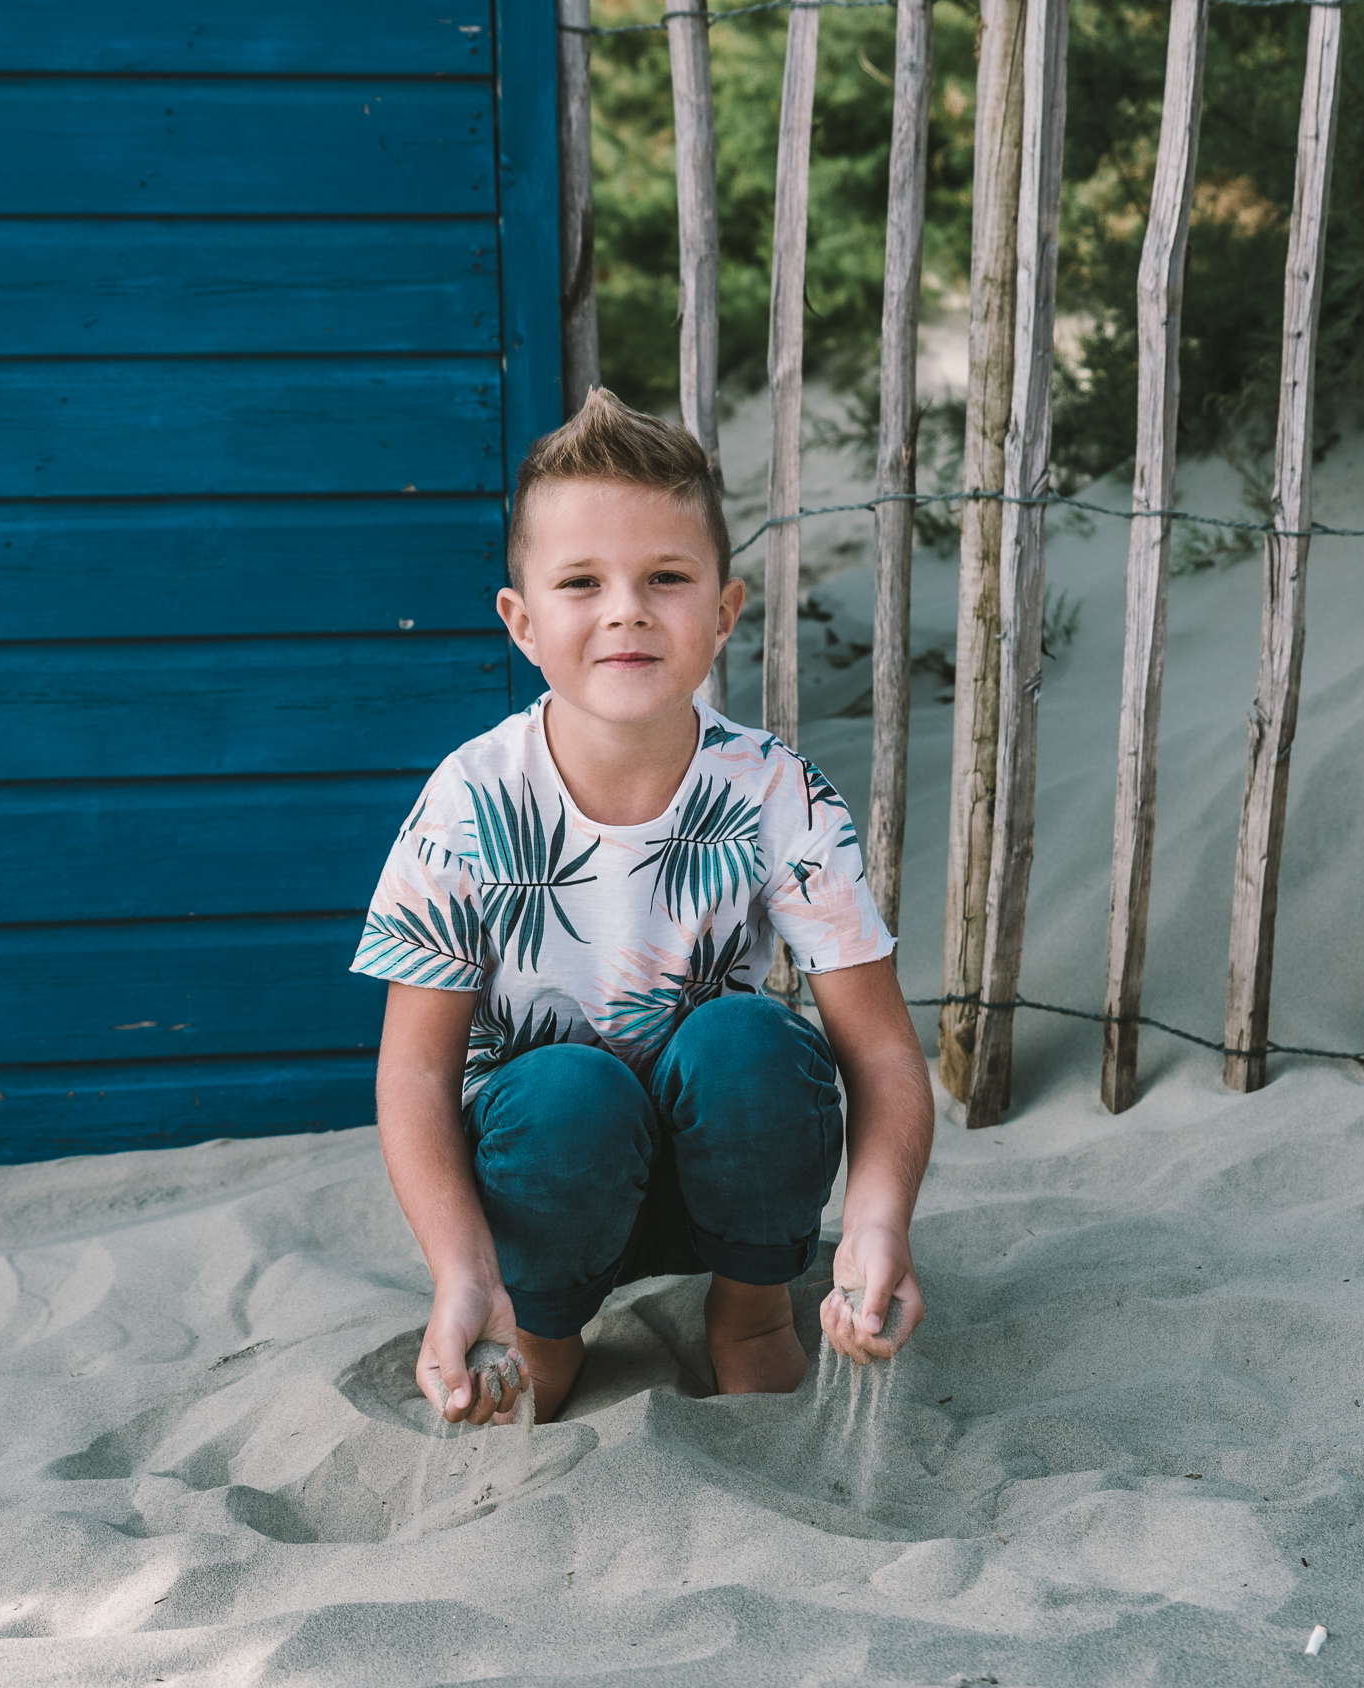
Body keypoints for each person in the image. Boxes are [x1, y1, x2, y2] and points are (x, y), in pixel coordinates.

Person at [354, 388, 934, 1426]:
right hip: (548, 1175)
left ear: (724, 610)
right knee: (564, 1088)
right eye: (582, 581)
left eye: (666, 577)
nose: (626, 609)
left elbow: (883, 1051)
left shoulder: (777, 791)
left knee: (749, 1042)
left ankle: (751, 1313)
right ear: (522, 622)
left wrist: (880, 1220)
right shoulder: (468, 801)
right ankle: (546, 1332)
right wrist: (462, 1272)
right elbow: (415, 1070)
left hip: (731, 1164)